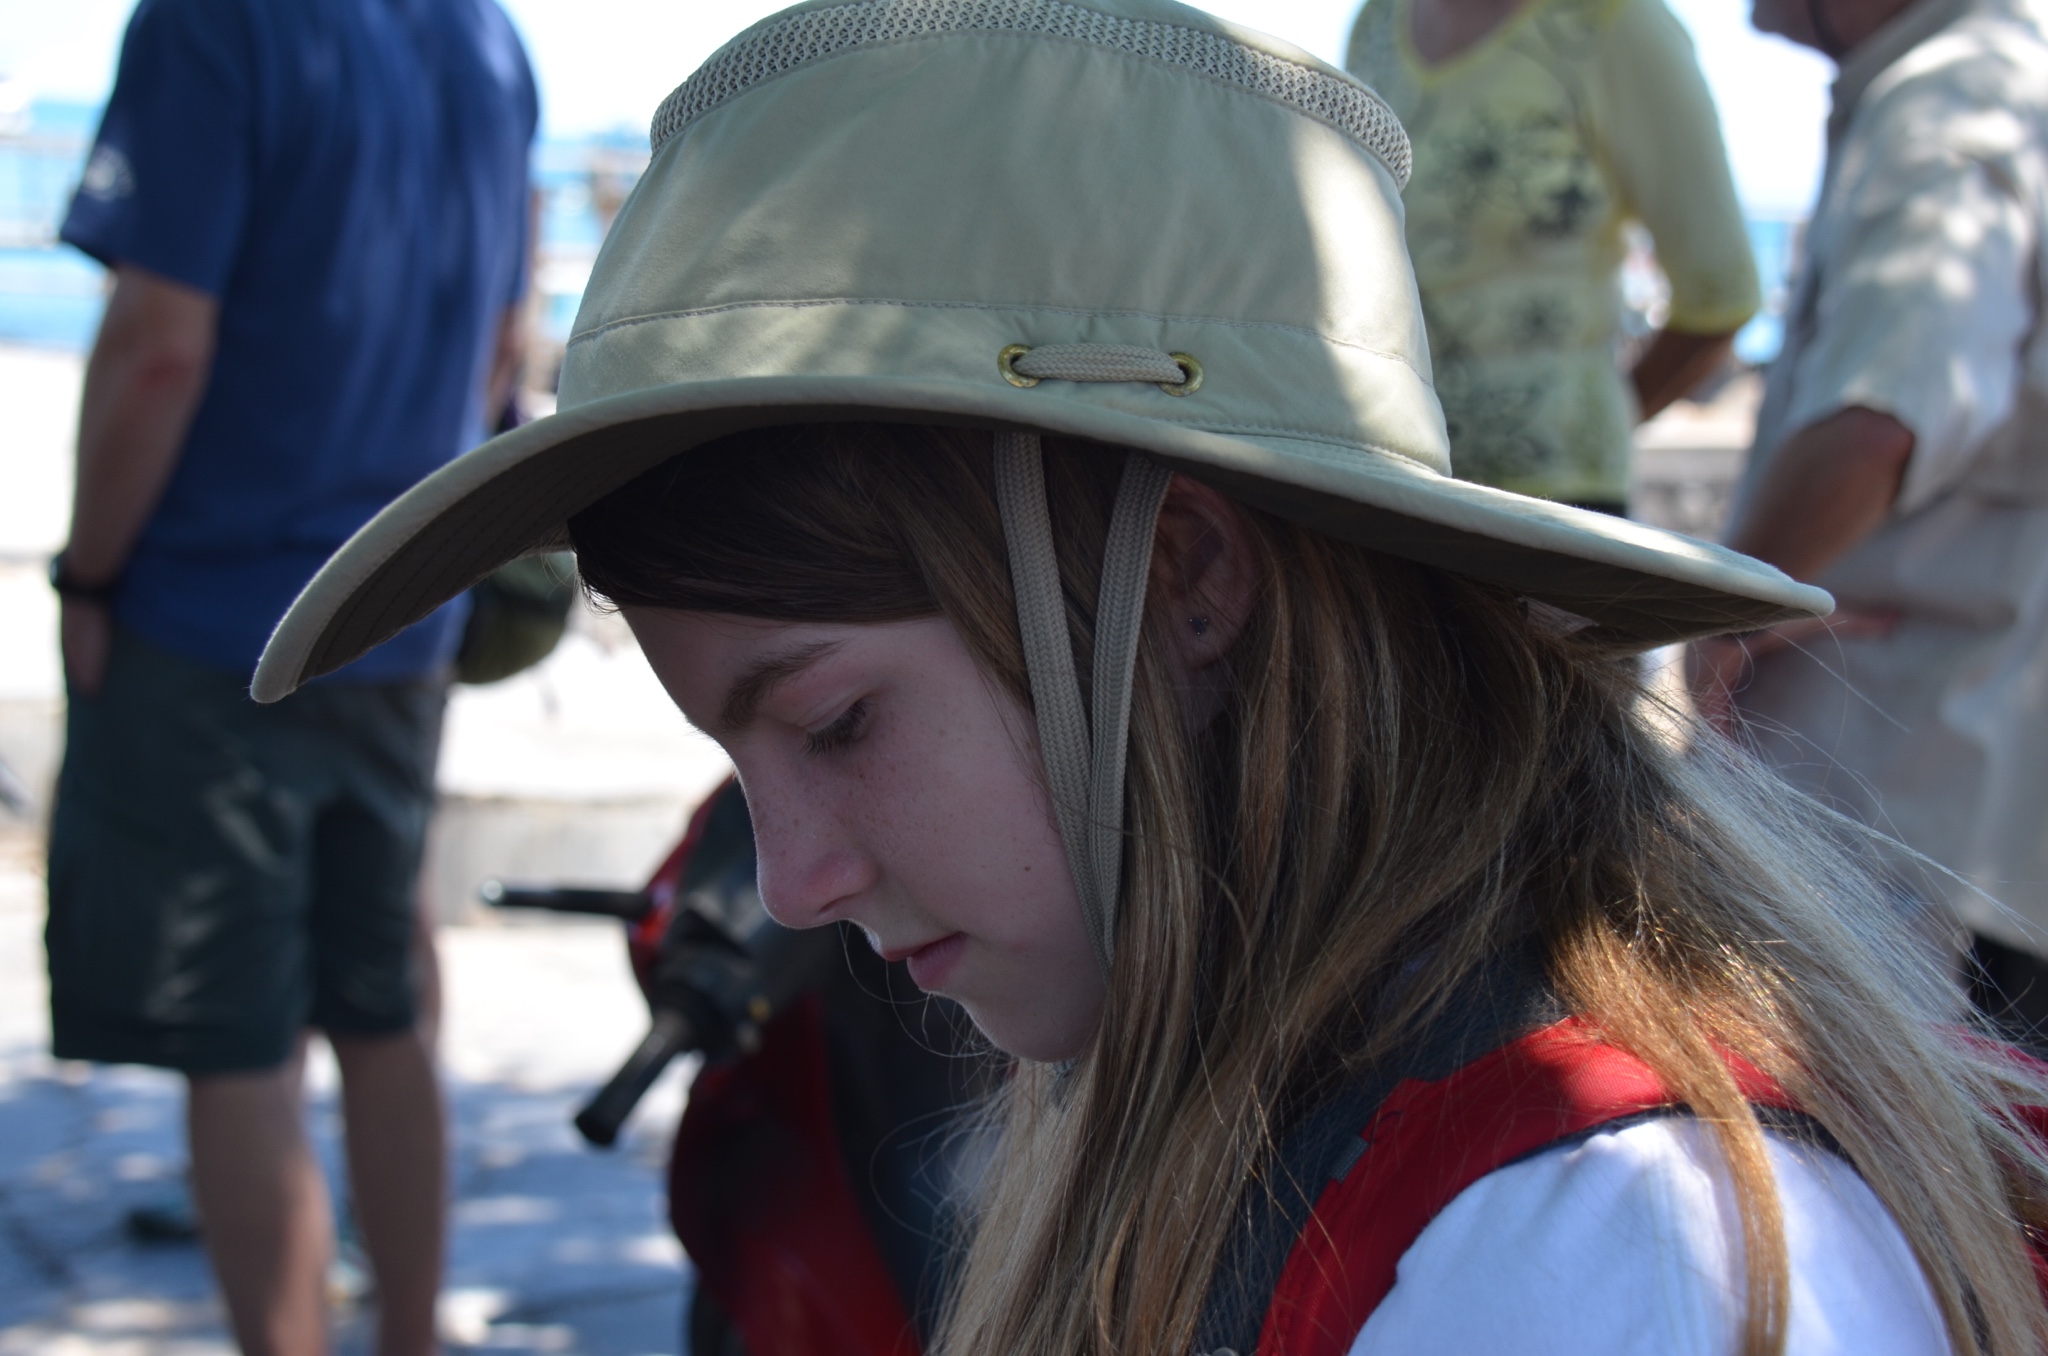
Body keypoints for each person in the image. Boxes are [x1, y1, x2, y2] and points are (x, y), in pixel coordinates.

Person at [253, 2, 2048, 1353]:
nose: (790, 878)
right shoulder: (1240, 1095)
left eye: (836, 722)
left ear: (1187, 580)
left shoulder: (1608, 1255)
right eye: (745, 761)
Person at [45, 0, 535, 1352]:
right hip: (406, 607)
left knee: (237, 1042)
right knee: (385, 1008)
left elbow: (158, 345)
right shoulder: (485, 37)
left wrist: (88, 576)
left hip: (219, 622)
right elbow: (507, 346)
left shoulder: (213, 22)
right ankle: (411, 1333)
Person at [1689, 0, 2048, 1026]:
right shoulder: (1997, 78)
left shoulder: (1949, 102)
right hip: (1954, 812)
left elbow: (1874, 422)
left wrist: (1714, 619)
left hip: (1906, 817)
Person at [1345, 0, 1760, 511]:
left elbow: (1721, 294)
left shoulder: (1618, 24)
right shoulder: (1377, 22)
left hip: (1560, 500)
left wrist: (1598, 421)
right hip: (1389, 482)